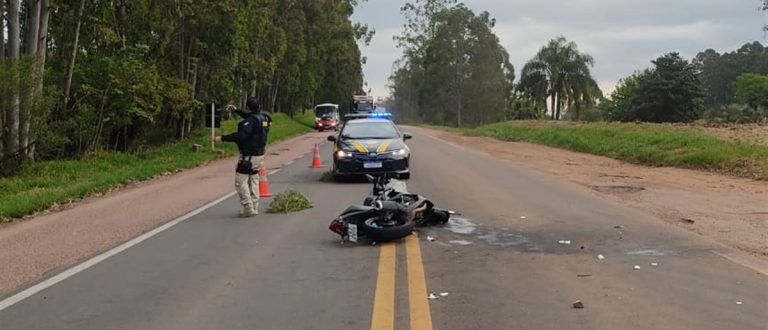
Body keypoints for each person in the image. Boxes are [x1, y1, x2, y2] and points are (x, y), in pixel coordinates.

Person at [214, 97, 272, 217]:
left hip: (249, 156)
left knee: (240, 181)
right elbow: (252, 118)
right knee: (254, 178)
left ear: (248, 107)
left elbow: (241, 135)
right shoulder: (264, 118)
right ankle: (255, 206)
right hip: (260, 155)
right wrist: (236, 110)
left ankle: (248, 207)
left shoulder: (251, 121)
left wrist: (222, 138)